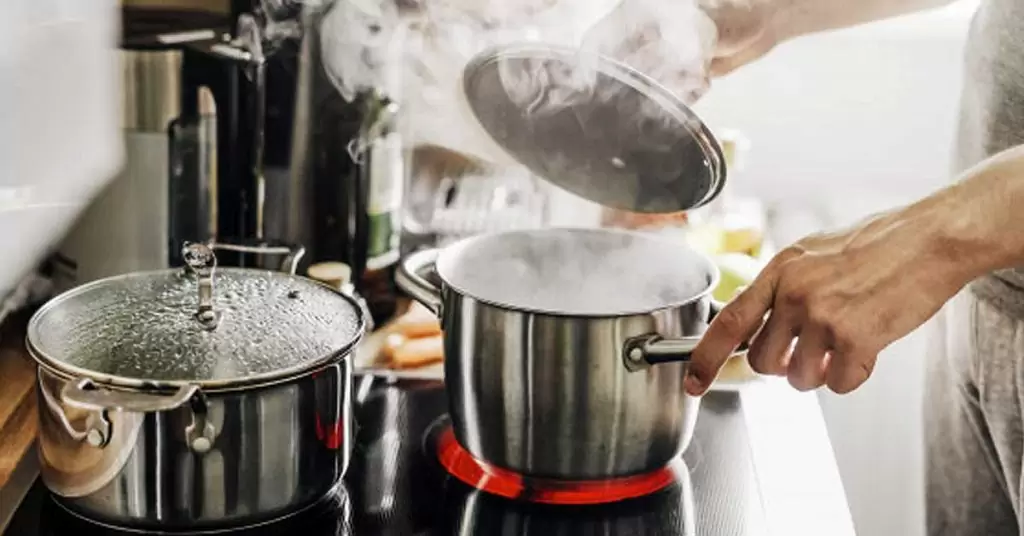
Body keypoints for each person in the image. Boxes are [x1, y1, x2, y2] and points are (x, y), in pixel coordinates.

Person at [594, 0, 1024, 534]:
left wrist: (937, 237)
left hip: (971, 245)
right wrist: (765, 11)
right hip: (980, 283)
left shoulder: (945, 242)